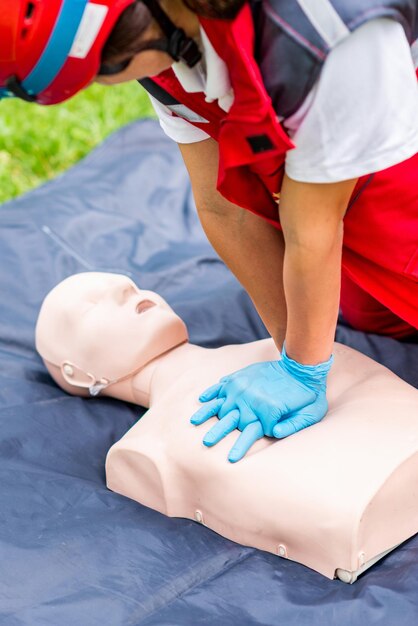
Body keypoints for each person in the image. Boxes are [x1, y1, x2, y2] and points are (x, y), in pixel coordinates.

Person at [2, 1, 418, 459]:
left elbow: (312, 229)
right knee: (366, 312)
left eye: (101, 75)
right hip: (334, 191)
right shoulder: (162, 51)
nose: (130, 293)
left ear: (126, 41)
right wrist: (294, 355)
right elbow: (223, 209)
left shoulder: (324, 31)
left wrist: (304, 369)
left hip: (394, 153)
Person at [35, 271, 418, 582]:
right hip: (364, 520)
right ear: (75, 372)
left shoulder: (290, 347)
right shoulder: (143, 452)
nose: (130, 292)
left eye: (131, 285)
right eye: (92, 308)